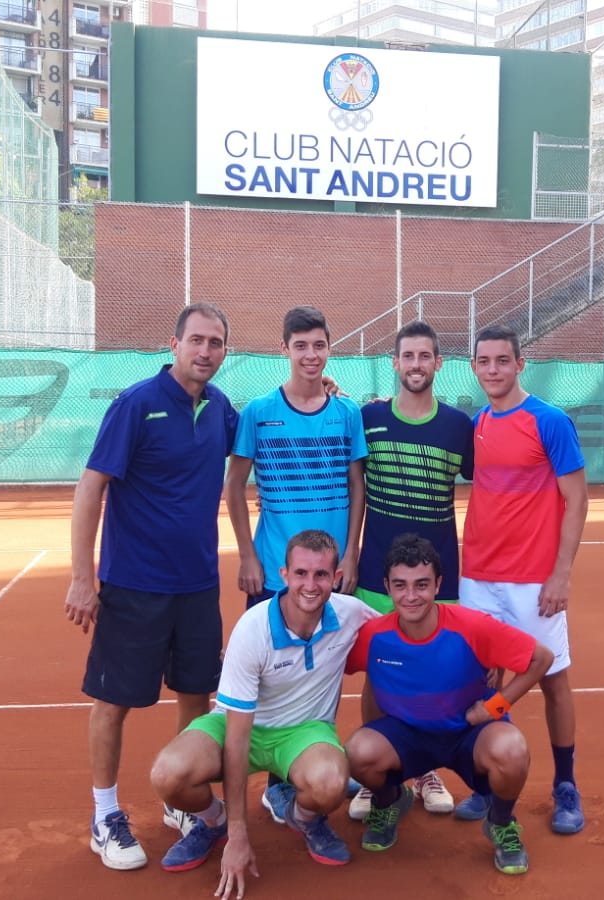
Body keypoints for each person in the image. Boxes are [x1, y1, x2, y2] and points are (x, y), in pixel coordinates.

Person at [63, 302, 238, 871]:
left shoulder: (221, 409)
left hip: (196, 587)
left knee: (195, 695)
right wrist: (82, 578)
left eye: (215, 343)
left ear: (224, 352)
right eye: (197, 341)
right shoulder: (136, 404)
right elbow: (90, 490)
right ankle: (105, 812)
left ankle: (181, 802)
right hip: (134, 585)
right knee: (114, 702)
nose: (205, 351)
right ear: (174, 345)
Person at [148, 530, 381, 897]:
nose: (310, 584)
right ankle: (214, 822)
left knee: (330, 784)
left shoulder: (350, 613)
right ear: (284, 575)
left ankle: (303, 818)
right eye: (301, 573)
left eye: (321, 575)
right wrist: (238, 834)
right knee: (169, 775)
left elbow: (406, 633)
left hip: (304, 732)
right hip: (239, 727)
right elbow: (238, 739)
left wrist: (474, 659)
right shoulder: (253, 630)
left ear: (336, 579)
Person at [225, 305, 368, 819]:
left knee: (322, 671)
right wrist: (246, 553)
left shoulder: (346, 413)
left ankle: (301, 767)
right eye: (301, 345)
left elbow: (357, 486)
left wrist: (350, 552)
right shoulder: (259, 412)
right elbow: (234, 484)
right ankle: (272, 777)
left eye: (320, 345)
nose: (311, 354)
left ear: (330, 348)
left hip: (329, 571)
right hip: (274, 567)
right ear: (284, 349)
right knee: (269, 674)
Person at [344, 534, 554, 875]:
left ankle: (500, 822)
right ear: (387, 587)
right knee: (356, 752)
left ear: (439, 584)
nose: (411, 596)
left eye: (422, 585)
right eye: (400, 585)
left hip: (467, 732)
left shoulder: (472, 626)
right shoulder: (373, 635)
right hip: (407, 735)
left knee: (512, 750)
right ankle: (390, 800)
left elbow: (541, 659)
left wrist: (494, 708)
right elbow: (329, 664)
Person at [455, 324, 590, 834]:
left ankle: (566, 785)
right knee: (483, 679)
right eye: (484, 361)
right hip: (480, 576)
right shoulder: (478, 423)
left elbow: (576, 498)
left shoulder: (549, 421)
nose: (493, 369)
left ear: (519, 364)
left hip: (535, 579)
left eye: (502, 361)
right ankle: (491, 783)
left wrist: (561, 574)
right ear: (474, 368)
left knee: (554, 679)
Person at [348, 320, 474, 820]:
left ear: (438, 364)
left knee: (430, 676)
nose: (417, 365)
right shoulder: (367, 419)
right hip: (378, 574)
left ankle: (424, 770)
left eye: (426, 356)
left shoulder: (460, 427)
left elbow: (497, 480)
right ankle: (373, 776)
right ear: (396, 362)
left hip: (438, 580)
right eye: (408, 356)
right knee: (378, 677)